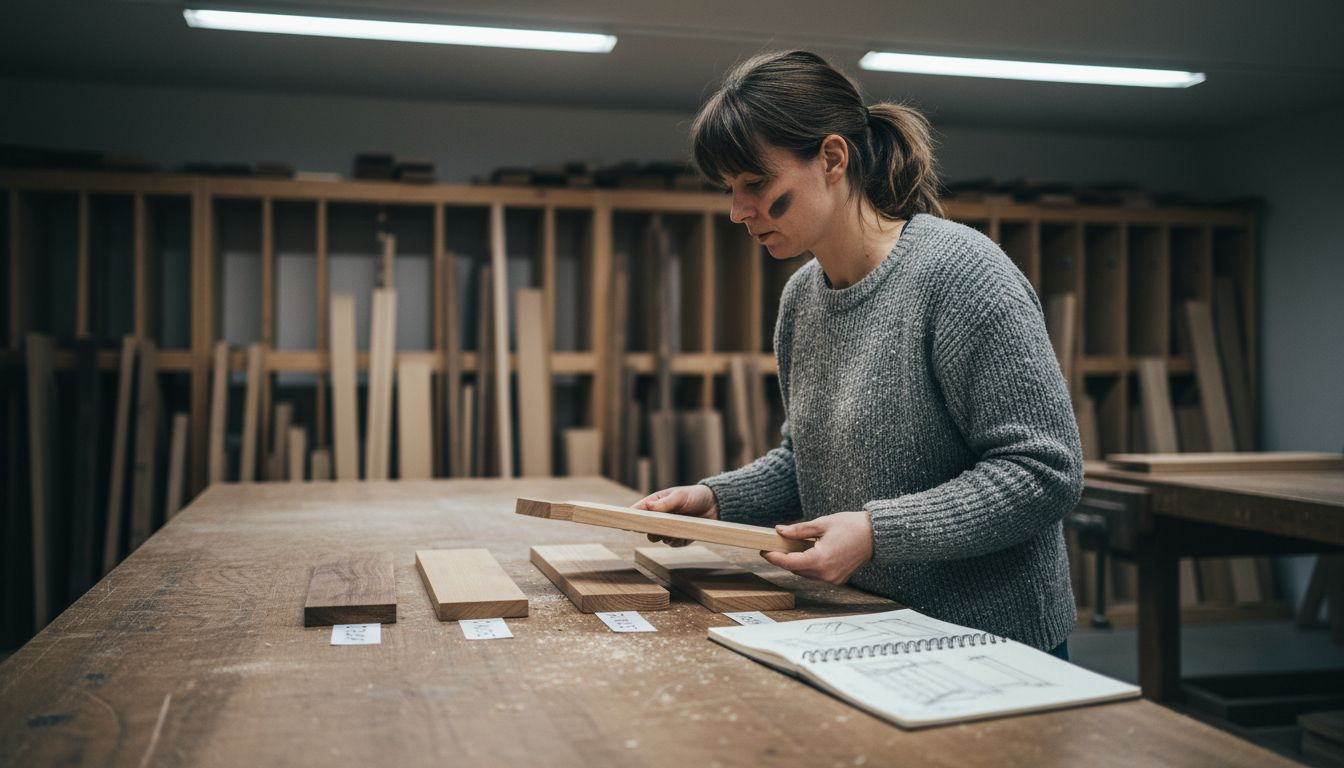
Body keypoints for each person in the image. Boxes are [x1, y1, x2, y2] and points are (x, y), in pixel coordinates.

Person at [633, 50, 1082, 658]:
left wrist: (876, 531)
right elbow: (809, 462)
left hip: (992, 640)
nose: (738, 212)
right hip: (869, 624)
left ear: (833, 158)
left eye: (756, 184)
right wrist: (717, 499)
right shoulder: (802, 298)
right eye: (730, 190)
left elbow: (1044, 471)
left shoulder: (961, 274)